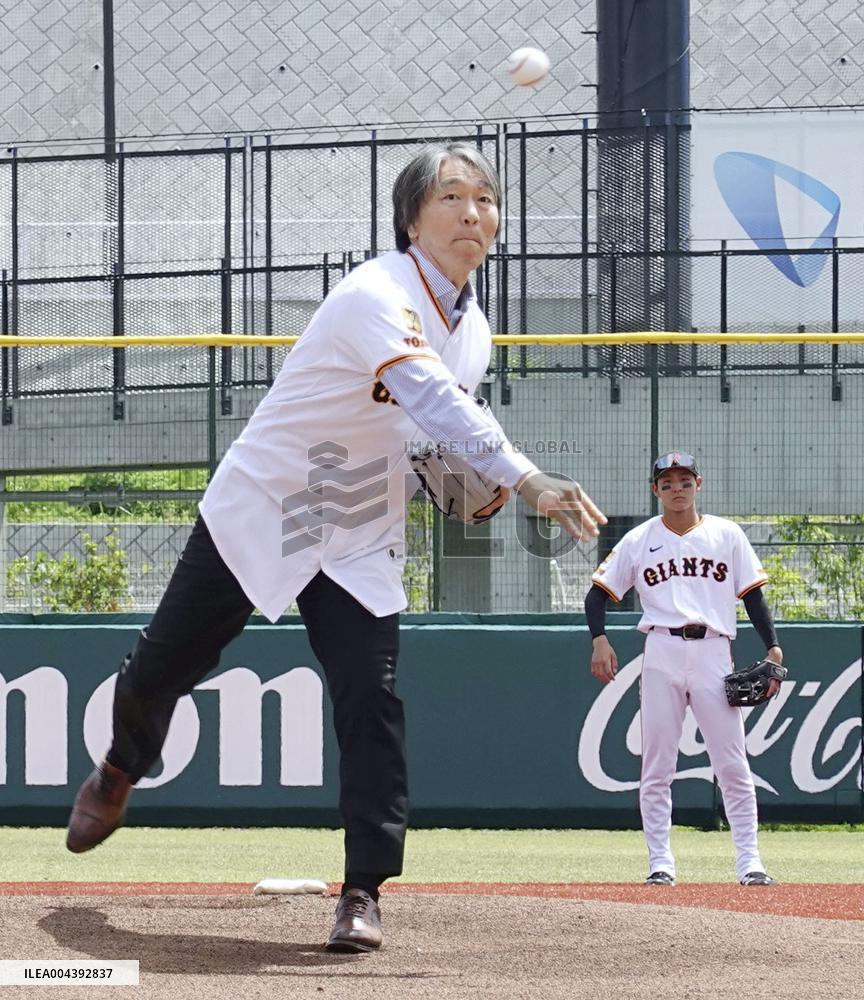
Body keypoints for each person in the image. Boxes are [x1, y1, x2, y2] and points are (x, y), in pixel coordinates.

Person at [66, 142, 606, 952]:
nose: (472, 212)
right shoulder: (374, 292)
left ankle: (363, 891)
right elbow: (426, 394)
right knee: (161, 670)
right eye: (452, 196)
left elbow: (431, 435)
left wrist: (463, 479)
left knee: (370, 701)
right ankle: (119, 766)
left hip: (357, 531)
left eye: (486, 199)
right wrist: (525, 478)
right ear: (411, 219)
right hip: (267, 504)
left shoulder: (476, 331)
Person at [584, 451, 783, 887]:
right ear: (655, 490)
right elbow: (596, 595)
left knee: (732, 763)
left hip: (714, 650)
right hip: (661, 650)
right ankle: (661, 864)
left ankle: (750, 863)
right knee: (657, 764)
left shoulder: (726, 535)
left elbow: (753, 597)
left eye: (684, 481)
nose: (677, 489)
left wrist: (772, 646)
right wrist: (599, 639)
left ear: (699, 484)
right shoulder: (639, 539)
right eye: (668, 482)